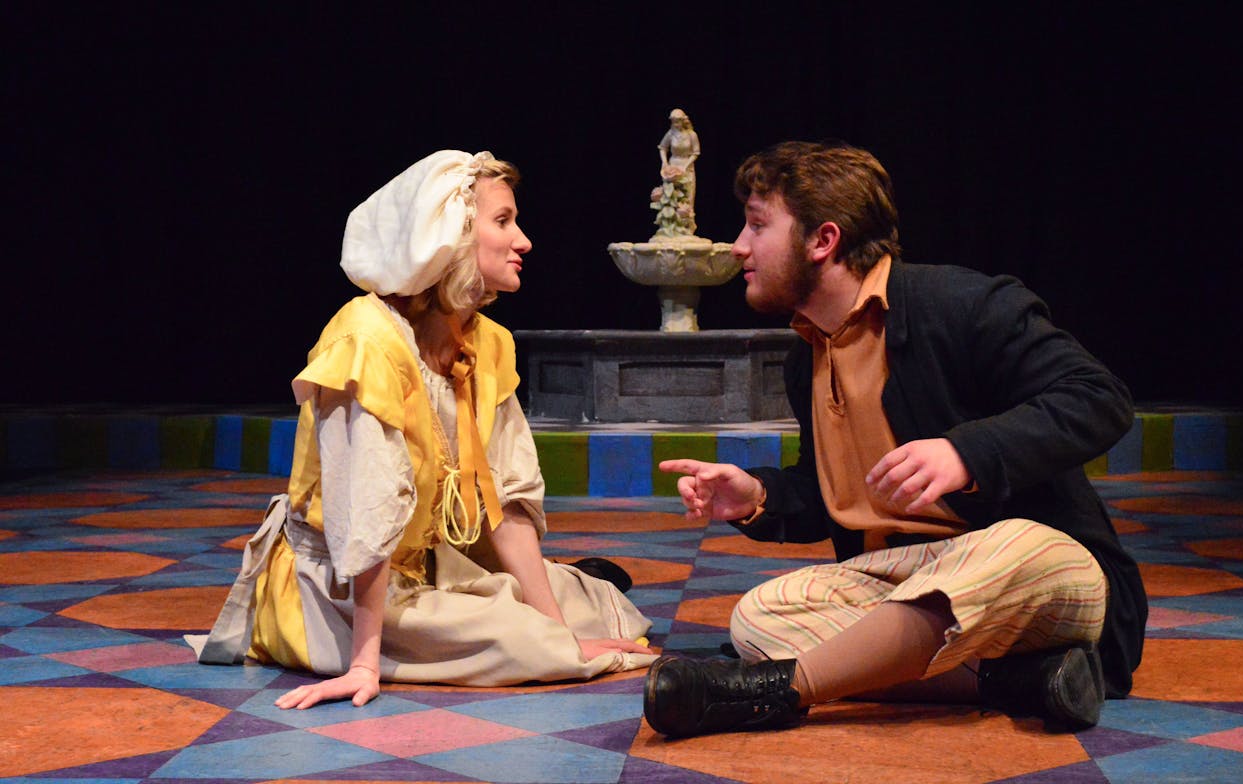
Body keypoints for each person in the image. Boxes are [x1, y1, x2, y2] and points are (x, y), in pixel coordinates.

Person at [645, 141, 1147, 737]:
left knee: (1020, 544)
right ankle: (1021, 682)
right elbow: (843, 493)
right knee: (758, 617)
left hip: (1037, 574)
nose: (740, 246)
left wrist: (967, 452)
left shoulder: (964, 306)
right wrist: (758, 495)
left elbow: (1099, 397)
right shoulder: (807, 356)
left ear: (822, 240)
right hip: (902, 575)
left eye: (758, 226)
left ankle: (780, 690)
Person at [195, 150, 654, 709]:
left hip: (426, 567)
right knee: (521, 640)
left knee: (595, 608)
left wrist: (563, 634)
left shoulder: (487, 342)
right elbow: (367, 515)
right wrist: (364, 662)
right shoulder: (367, 342)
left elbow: (505, 502)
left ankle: (529, 621)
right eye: (503, 221)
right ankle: (414, 638)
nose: (524, 241)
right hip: (340, 588)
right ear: (451, 235)